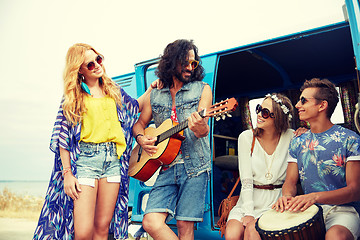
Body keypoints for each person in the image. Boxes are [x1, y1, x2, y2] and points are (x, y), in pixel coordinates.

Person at [33, 43, 156, 240]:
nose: (97, 65)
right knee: (83, 233)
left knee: (102, 228)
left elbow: (134, 108)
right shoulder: (74, 96)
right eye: (90, 64)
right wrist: (67, 174)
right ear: (79, 69)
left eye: (98, 59)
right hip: (85, 162)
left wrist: (150, 90)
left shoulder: (113, 91)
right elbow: (62, 137)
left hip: (113, 163)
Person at [132, 39, 212, 240]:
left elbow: (203, 132)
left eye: (194, 63)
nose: (190, 67)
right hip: (166, 166)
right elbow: (138, 124)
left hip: (195, 166)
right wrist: (141, 139)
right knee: (150, 221)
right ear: (172, 61)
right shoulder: (156, 93)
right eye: (185, 62)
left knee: (185, 226)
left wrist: (200, 126)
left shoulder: (203, 89)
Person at [273, 78, 360, 240]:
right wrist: (286, 197)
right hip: (308, 211)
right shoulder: (297, 141)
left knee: (335, 236)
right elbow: (290, 183)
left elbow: (355, 191)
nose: (297, 105)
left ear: (322, 105)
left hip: (343, 211)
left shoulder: (350, 139)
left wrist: (315, 197)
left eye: (303, 101)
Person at [225, 93, 295, 240]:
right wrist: (248, 213)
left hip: (276, 201)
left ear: (279, 118)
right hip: (249, 199)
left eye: (265, 112)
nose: (258, 115)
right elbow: (246, 180)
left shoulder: (292, 137)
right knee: (232, 234)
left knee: (254, 232)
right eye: (259, 109)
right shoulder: (246, 137)